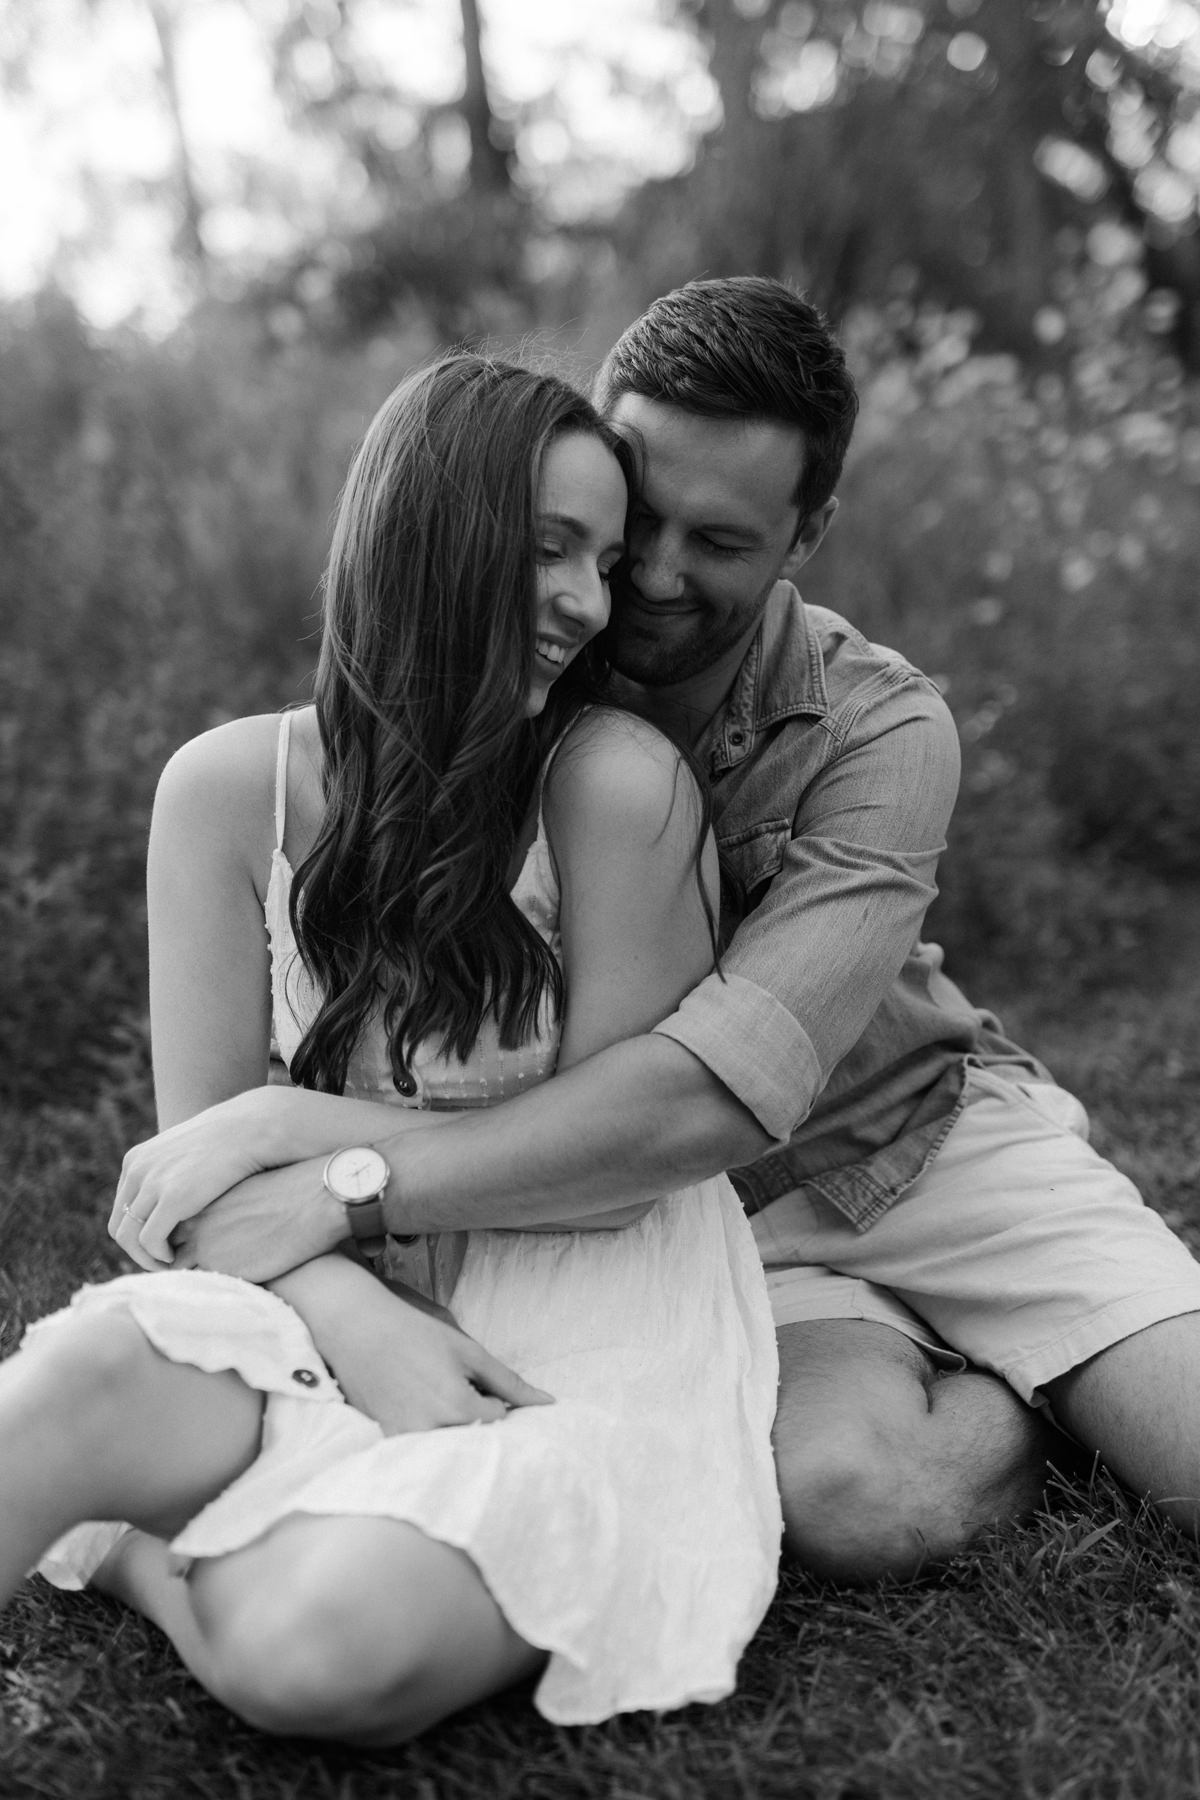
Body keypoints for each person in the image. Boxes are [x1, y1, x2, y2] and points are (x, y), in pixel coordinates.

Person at [113, 276, 1200, 1586]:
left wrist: (324, 1169)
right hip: (704, 1219)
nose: (651, 583)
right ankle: (1011, 1390)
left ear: (809, 534)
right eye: (641, 528)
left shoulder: (880, 733)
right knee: (856, 1500)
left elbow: (703, 1098)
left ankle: (1059, 1339)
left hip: (918, 1143)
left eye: (723, 542)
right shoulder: (506, 672)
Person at [0, 353, 783, 1742]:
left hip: (579, 1314)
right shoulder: (227, 790)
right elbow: (202, 1182)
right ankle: (158, 1487)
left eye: (599, 560)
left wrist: (291, 1127)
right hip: (309, 1285)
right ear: (423, 533)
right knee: (61, 1394)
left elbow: (616, 1162)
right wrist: (356, 1315)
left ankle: (137, 1549)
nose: (590, 603)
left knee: (324, 1648)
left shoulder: (614, 784)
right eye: (549, 550)